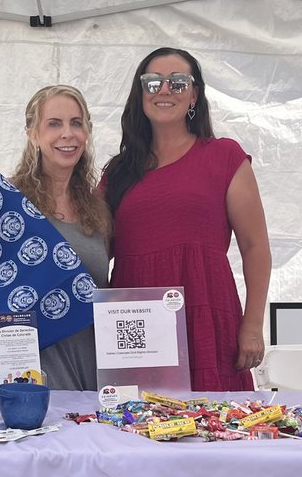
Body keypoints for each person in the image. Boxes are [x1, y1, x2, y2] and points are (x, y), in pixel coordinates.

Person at [103, 47, 272, 392]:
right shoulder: (117, 173)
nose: (165, 90)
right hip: (137, 325)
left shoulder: (224, 156)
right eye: (152, 82)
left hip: (206, 313)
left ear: (194, 94)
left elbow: (255, 247)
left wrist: (253, 323)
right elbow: (86, 246)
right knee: (137, 432)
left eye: (178, 82)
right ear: (140, 94)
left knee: (218, 434)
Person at [0, 85, 111, 391]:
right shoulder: (8, 198)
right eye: (54, 123)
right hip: (25, 356)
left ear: (88, 131)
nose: (68, 133)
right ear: (33, 134)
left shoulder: (99, 208)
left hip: (86, 353)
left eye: (77, 123)